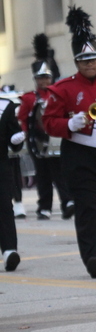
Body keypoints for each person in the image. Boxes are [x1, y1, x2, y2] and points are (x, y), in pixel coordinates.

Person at [43, 6, 96, 278]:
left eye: (94, 59)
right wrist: (68, 124)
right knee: (88, 206)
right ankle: (92, 255)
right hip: (79, 156)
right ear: (77, 62)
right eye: (84, 60)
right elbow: (48, 123)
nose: (90, 64)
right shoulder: (63, 88)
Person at [17, 34, 74, 221]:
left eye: (46, 77)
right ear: (35, 79)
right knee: (43, 175)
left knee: (60, 173)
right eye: (40, 78)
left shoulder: (59, 95)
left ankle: (67, 202)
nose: (44, 81)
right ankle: (44, 207)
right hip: (39, 141)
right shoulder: (29, 98)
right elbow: (24, 118)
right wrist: (25, 134)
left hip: (57, 140)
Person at [1, 93, 25, 271]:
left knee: (4, 208)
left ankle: (9, 250)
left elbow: (13, 135)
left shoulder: (6, 106)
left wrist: (17, 141)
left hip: (0, 165)